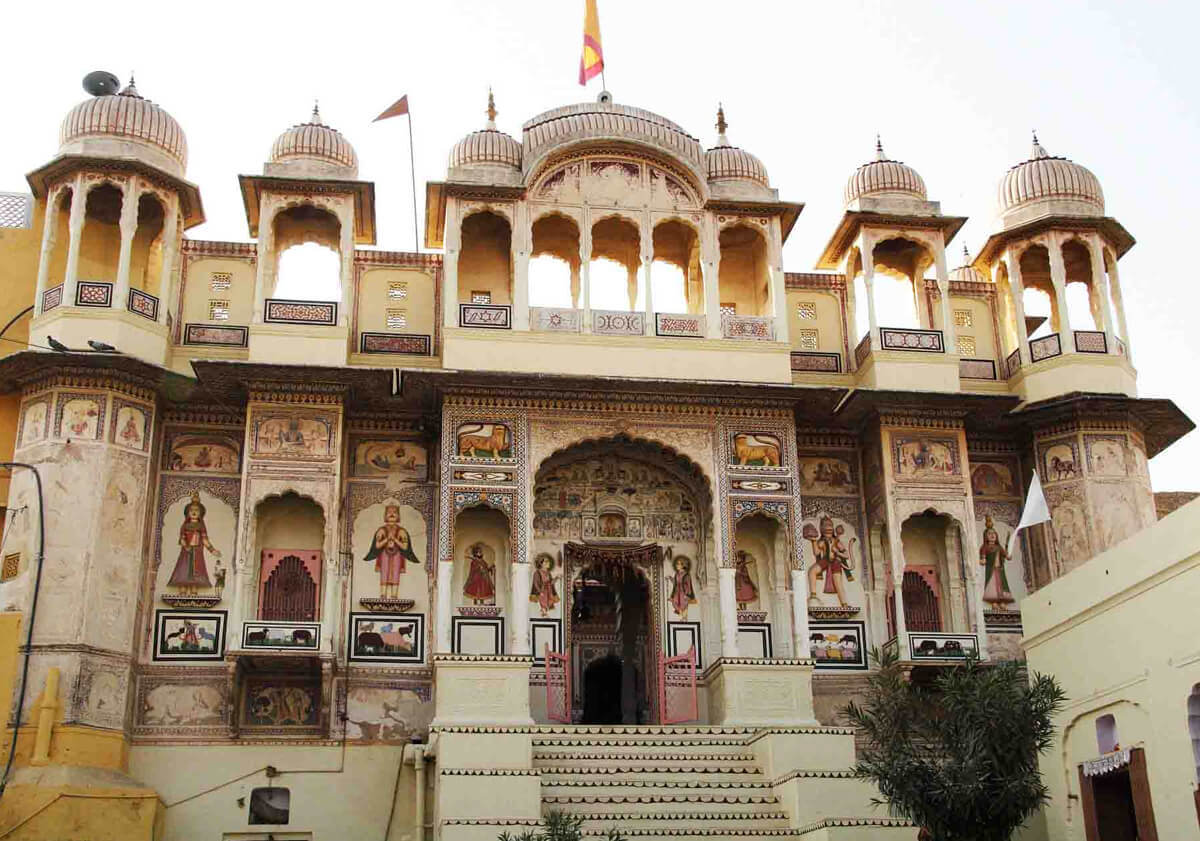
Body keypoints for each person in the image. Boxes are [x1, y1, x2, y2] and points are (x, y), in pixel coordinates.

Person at [168, 493, 221, 595]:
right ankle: (183, 589)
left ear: (200, 513)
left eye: (196, 510)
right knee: (184, 569)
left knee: (197, 570)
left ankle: (194, 589)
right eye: (191, 510)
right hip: (186, 551)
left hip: (197, 552)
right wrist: (186, 546)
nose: (194, 512)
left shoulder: (201, 526)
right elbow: (182, 539)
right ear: (188, 512)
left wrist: (212, 550)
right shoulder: (185, 526)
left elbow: (204, 540)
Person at [363, 505, 419, 599]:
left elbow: (405, 547)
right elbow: (377, 546)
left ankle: (394, 595)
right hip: (384, 554)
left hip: (397, 555)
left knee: (396, 573)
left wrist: (395, 539)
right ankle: (383, 595)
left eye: (394, 512)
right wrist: (387, 539)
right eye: (389, 512)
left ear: (398, 516)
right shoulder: (381, 530)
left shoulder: (401, 531)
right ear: (385, 515)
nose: (392, 514)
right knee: (384, 572)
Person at [806, 515, 853, 607]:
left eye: (830, 525)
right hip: (825, 560)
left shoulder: (836, 541)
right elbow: (816, 553)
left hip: (836, 562)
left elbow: (846, 555)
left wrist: (837, 553)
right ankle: (813, 596)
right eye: (825, 526)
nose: (828, 528)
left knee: (838, 583)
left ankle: (844, 604)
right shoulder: (822, 541)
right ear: (821, 529)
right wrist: (813, 541)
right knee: (812, 571)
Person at [979, 515, 1015, 609]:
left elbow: (1007, 556)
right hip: (991, 569)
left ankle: (1002, 601)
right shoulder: (984, 548)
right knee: (992, 585)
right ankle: (994, 602)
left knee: (1001, 585)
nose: (992, 535)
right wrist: (982, 560)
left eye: (994, 534)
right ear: (986, 537)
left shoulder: (999, 547)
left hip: (1000, 569)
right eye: (990, 534)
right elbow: (983, 559)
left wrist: (1009, 553)